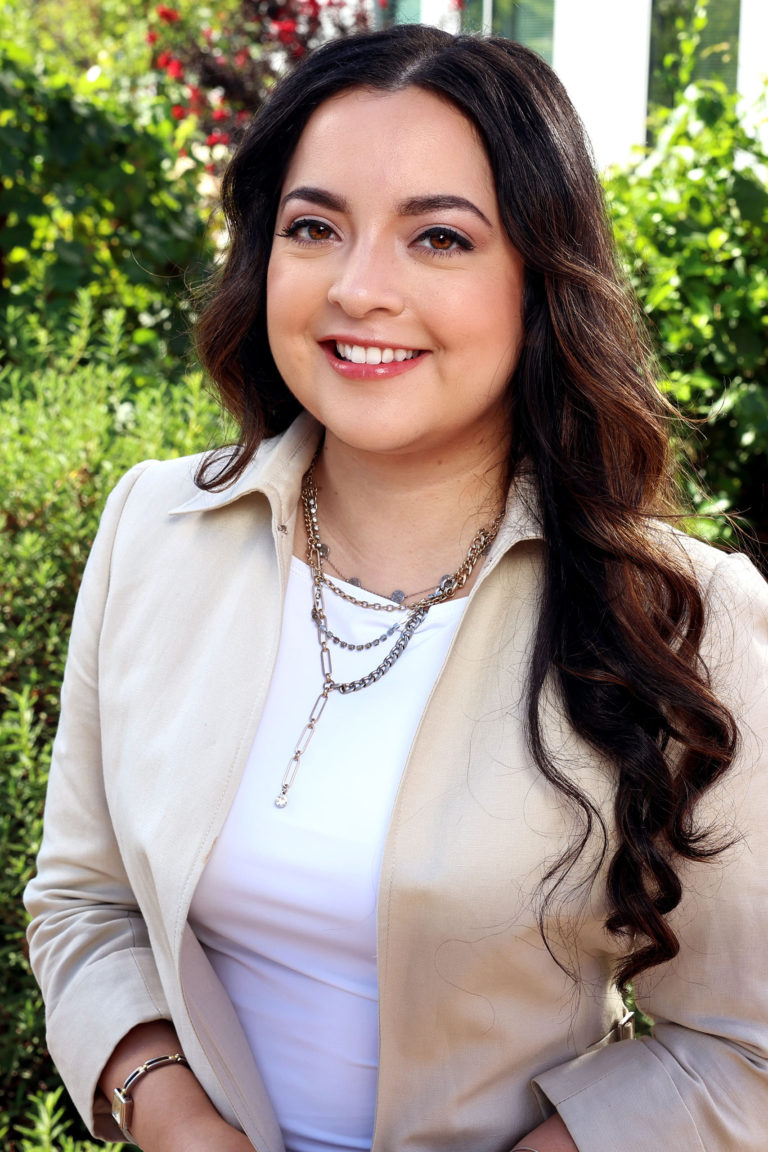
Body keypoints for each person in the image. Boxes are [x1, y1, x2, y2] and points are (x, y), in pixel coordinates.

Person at [24, 23, 768, 1152]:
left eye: (440, 238)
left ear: (541, 281)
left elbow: (741, 1046)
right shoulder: (156, 530)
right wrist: (177, 1123)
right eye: (314, 227)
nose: (360, 288)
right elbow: (85, 905)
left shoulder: (686, 620)